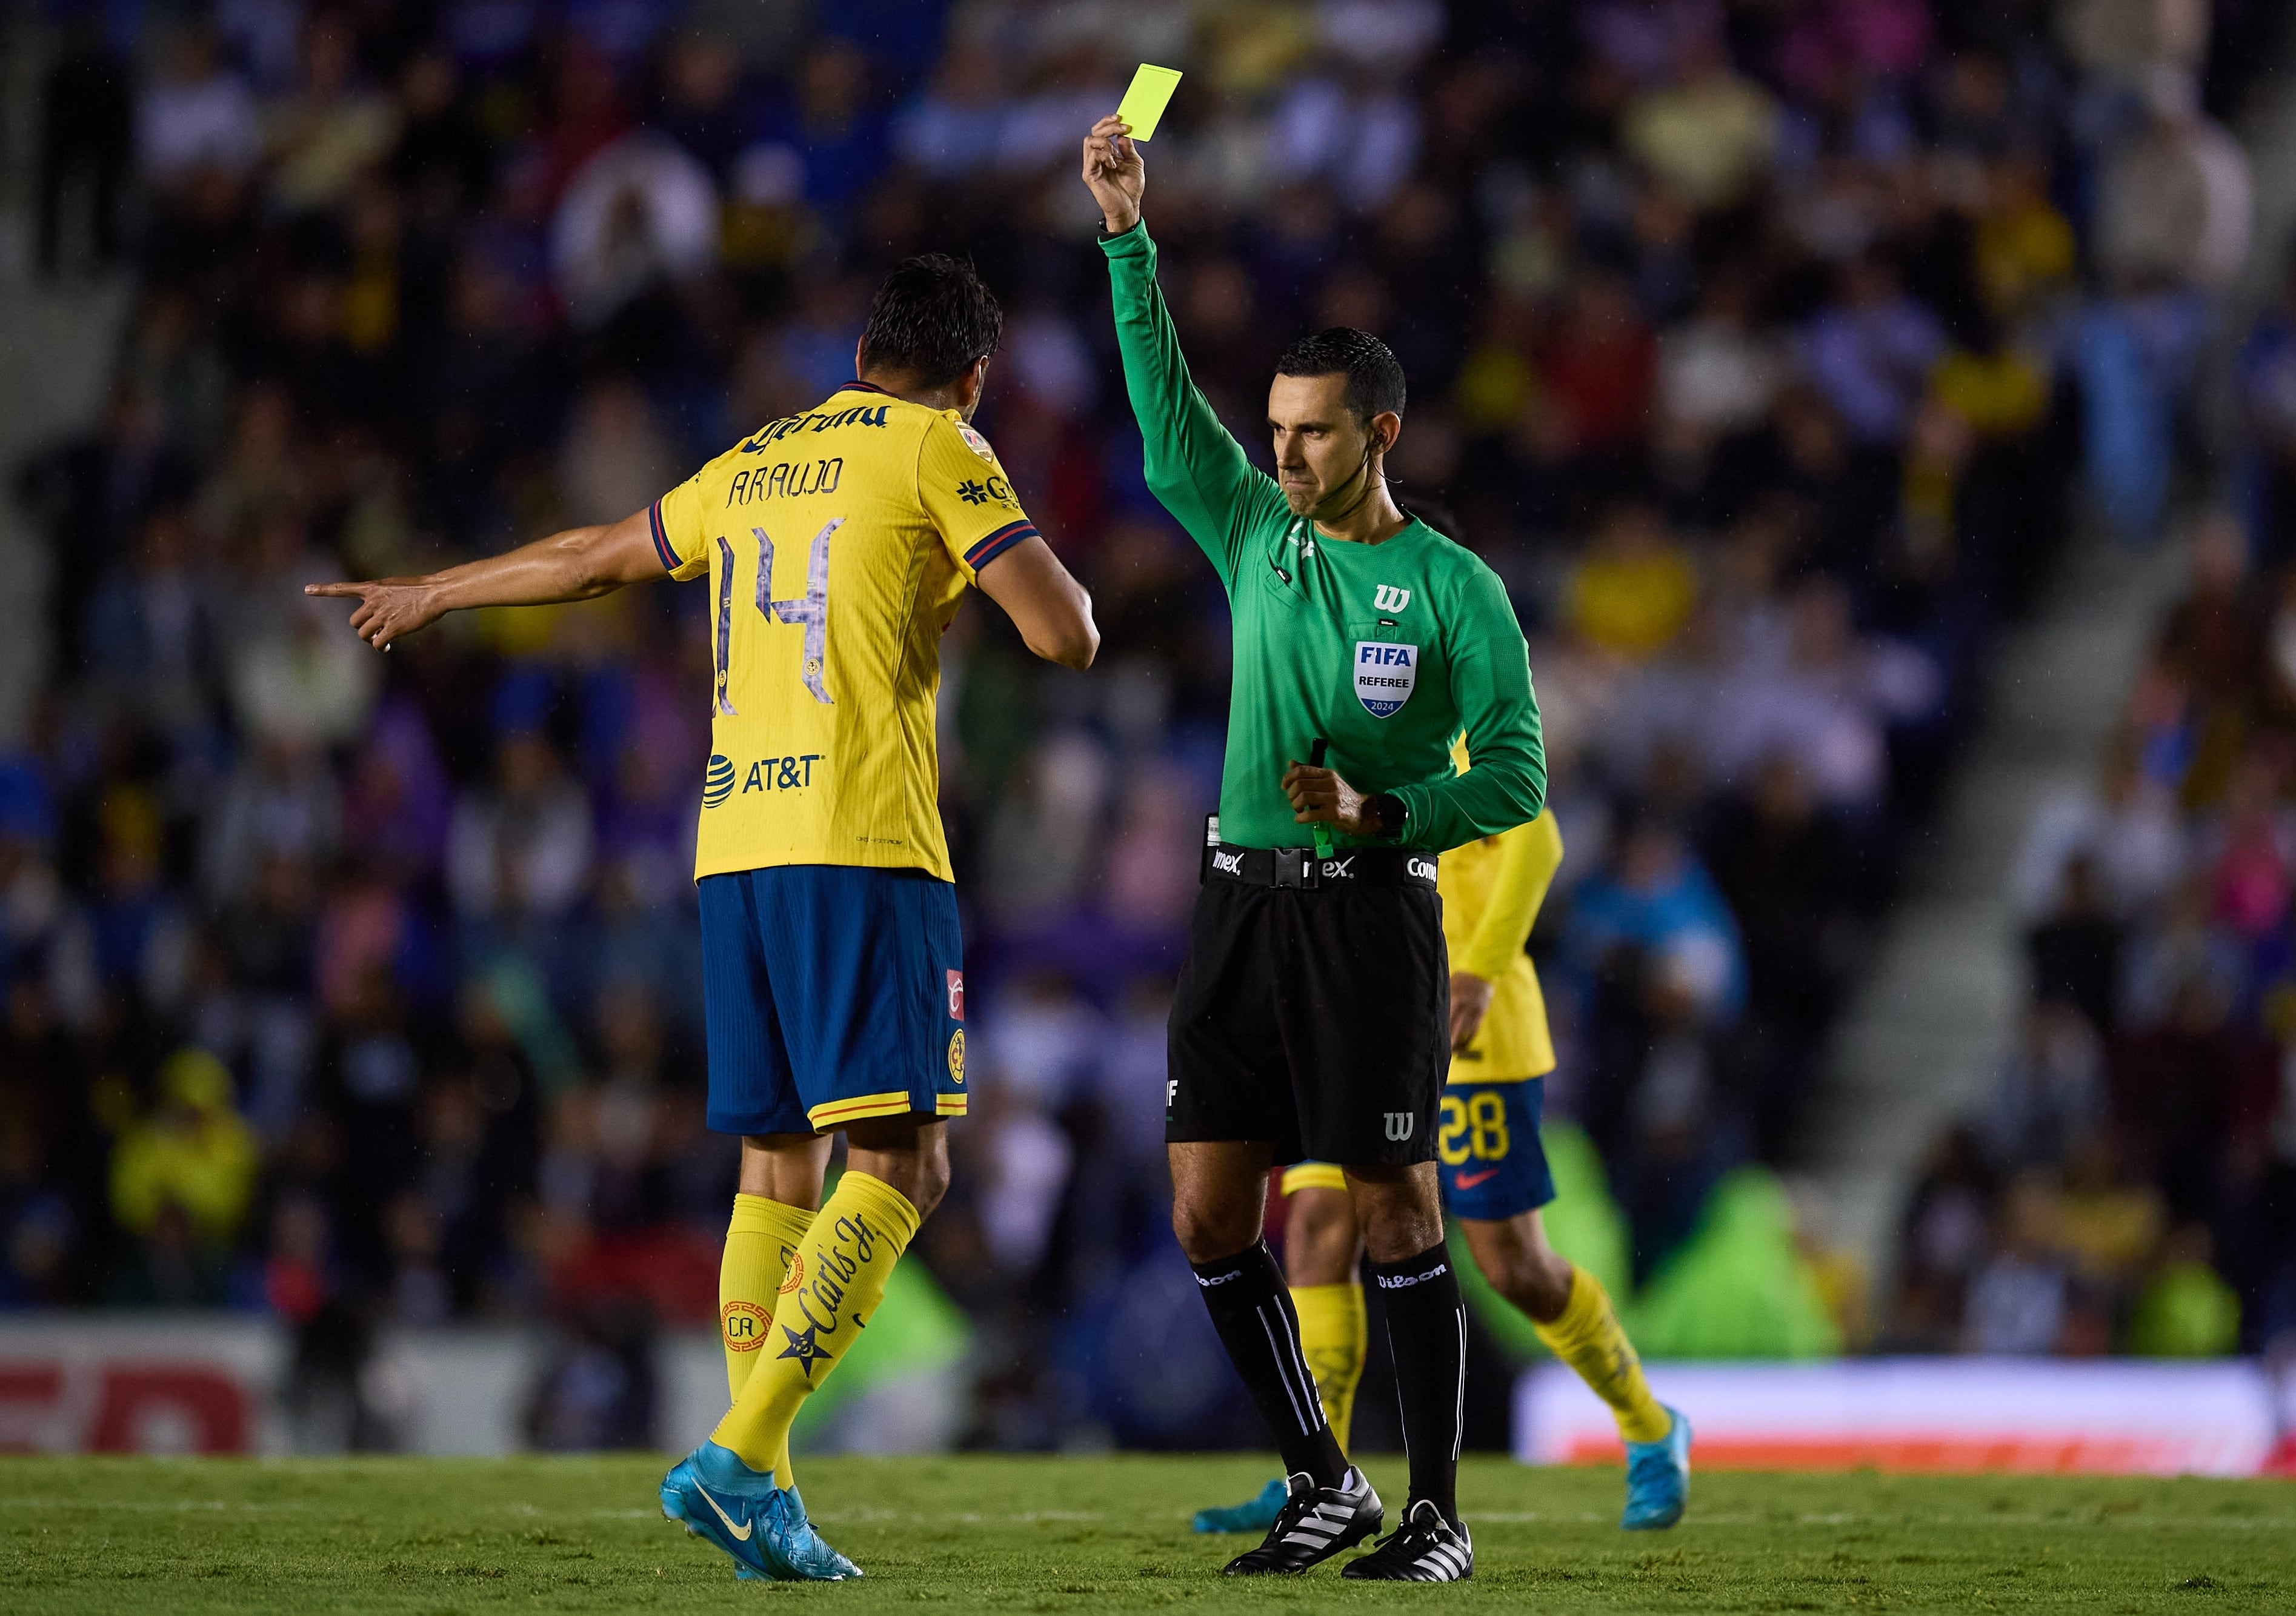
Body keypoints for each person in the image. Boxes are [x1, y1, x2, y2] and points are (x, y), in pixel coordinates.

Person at [307, 256, 1096, 1581]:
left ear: (856, 348)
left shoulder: (755, 459)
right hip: (863, 846)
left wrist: (438, 589)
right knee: (903, 1166)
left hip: (733, 847)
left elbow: (594, 560)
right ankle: (739, 1452)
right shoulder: (942, 447)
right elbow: (1064, 633)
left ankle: (762, 1495)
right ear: (970, 376)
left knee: (774, 1165)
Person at [1082, 115, 1546, 1582]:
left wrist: (1387, 814)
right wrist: (1127, 240)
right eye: (1274, 431)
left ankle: (1438, 1515)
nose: (1280, 456)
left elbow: (1520, 775)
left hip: (1367, 917)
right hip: (1236, 910)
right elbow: (1166, 419)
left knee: (1392, 1206)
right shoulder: (1254, 536)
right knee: (1209, 1207)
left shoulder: (1451, 588)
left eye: (1311, 434)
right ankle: (1320, 1479)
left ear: (1380, 436)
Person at [1190, 794, 1690, 1540]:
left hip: (1471, 1025)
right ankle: (1320, 1473)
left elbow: (1540, 836)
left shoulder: (1445, 727)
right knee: (1321, 1225)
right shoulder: (1342, 726)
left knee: (1513, 1265)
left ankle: (1649, 1426)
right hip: (1365, 1015)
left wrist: (1482, 971)